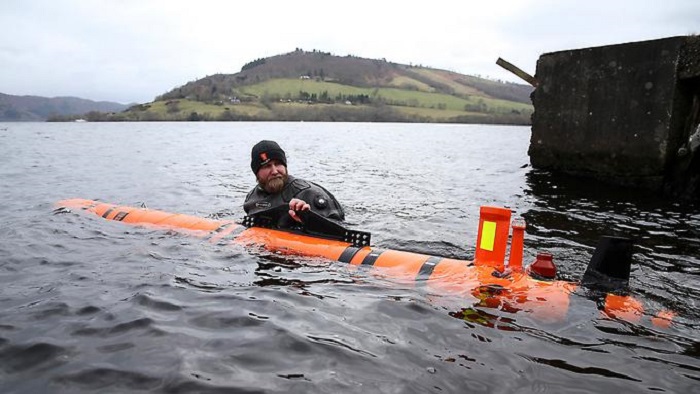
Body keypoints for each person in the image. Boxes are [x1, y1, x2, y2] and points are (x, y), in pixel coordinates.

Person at [244, 140, 345, 228]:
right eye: (267, 166)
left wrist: (310, 219)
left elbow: (340, 228)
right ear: (256, 172)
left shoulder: (309, 194)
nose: (274, 171)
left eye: (278, 164)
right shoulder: (251, 198)